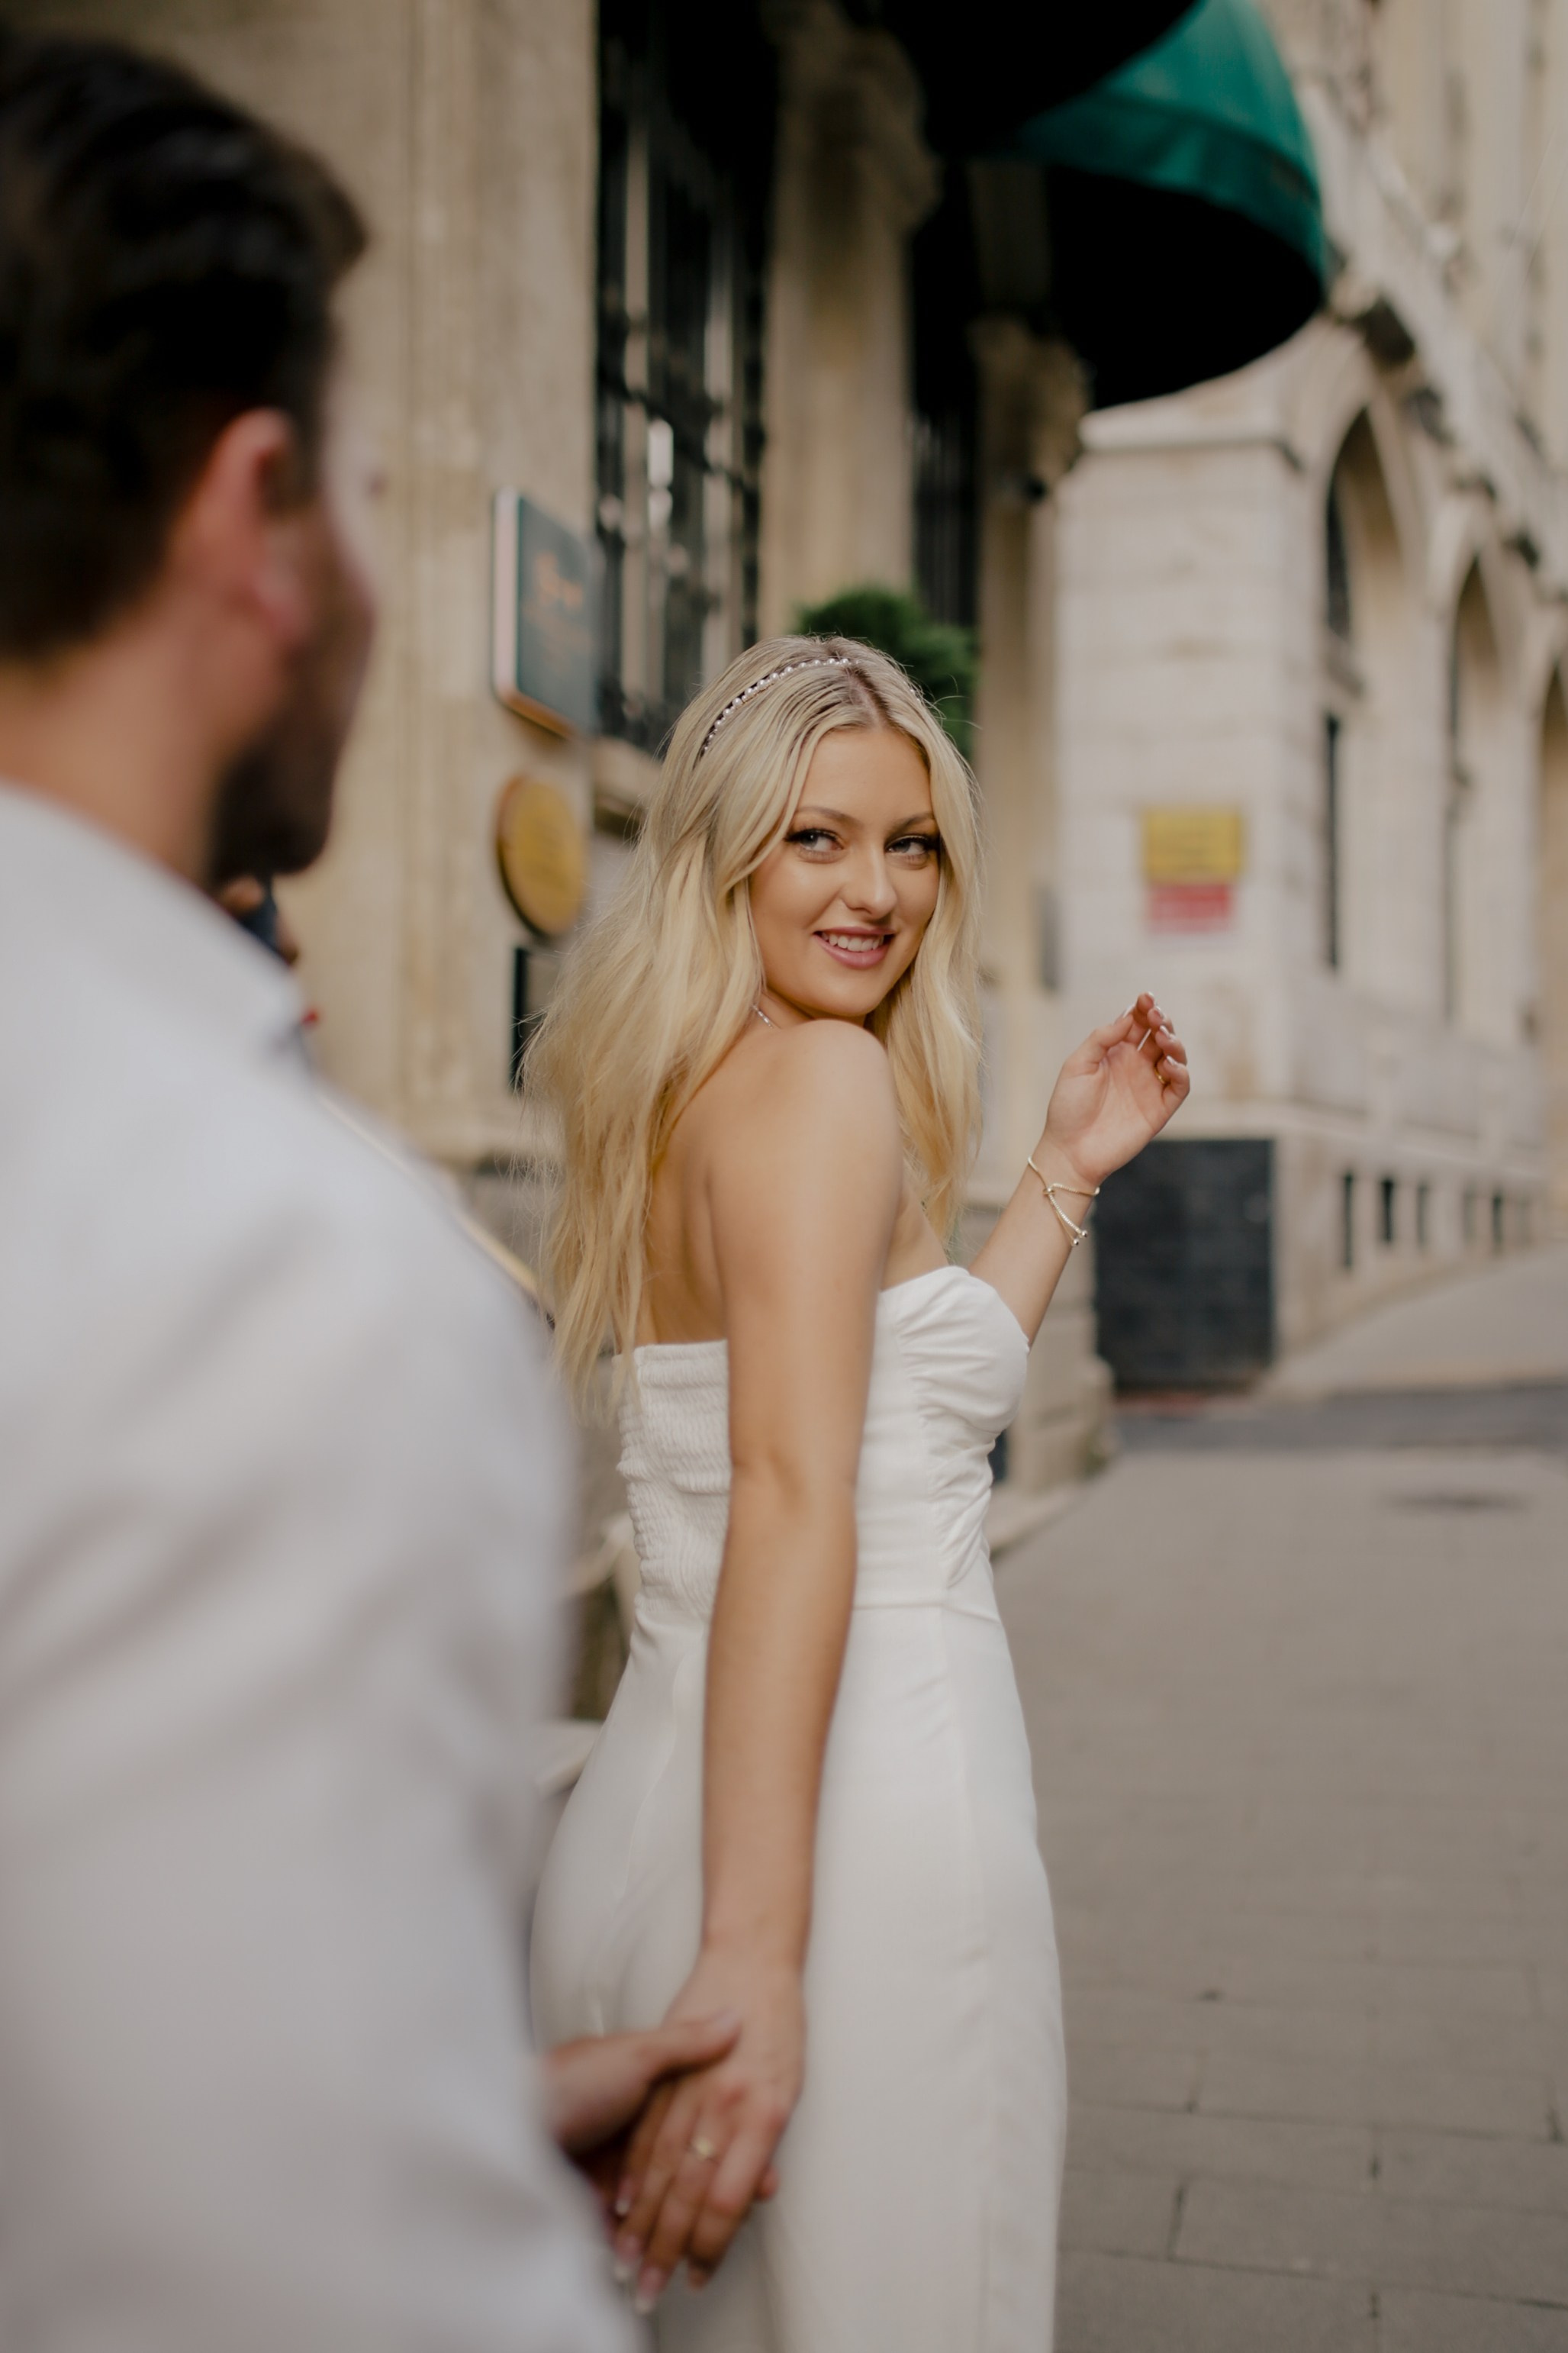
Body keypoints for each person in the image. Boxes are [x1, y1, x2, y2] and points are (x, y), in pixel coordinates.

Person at [0, 32, 726, 2350]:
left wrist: (455, 2090)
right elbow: (297, 2284)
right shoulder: (286, 1275)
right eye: (375, 495)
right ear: (252, 520)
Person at [526, 638, 1191, 2348]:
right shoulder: (820, 1085)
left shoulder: (681, 1095)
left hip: (640, 1831)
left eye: (910, 844)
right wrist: (756, 1962)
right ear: (722, 848)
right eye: (817, 838)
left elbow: (901, 1414)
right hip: (851, 1837)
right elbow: (797, 1493)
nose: (876, 891)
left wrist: (1058, 1173)